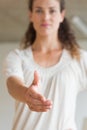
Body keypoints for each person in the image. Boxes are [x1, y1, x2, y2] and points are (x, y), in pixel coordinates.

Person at [4, 0, 87, 130]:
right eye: (39, 10)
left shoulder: (79, 58)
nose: (45, 17)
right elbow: (12, 84)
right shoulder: (17, 57)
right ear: (30, 15)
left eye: (52, 10)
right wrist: (26, 94)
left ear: (61, 15)